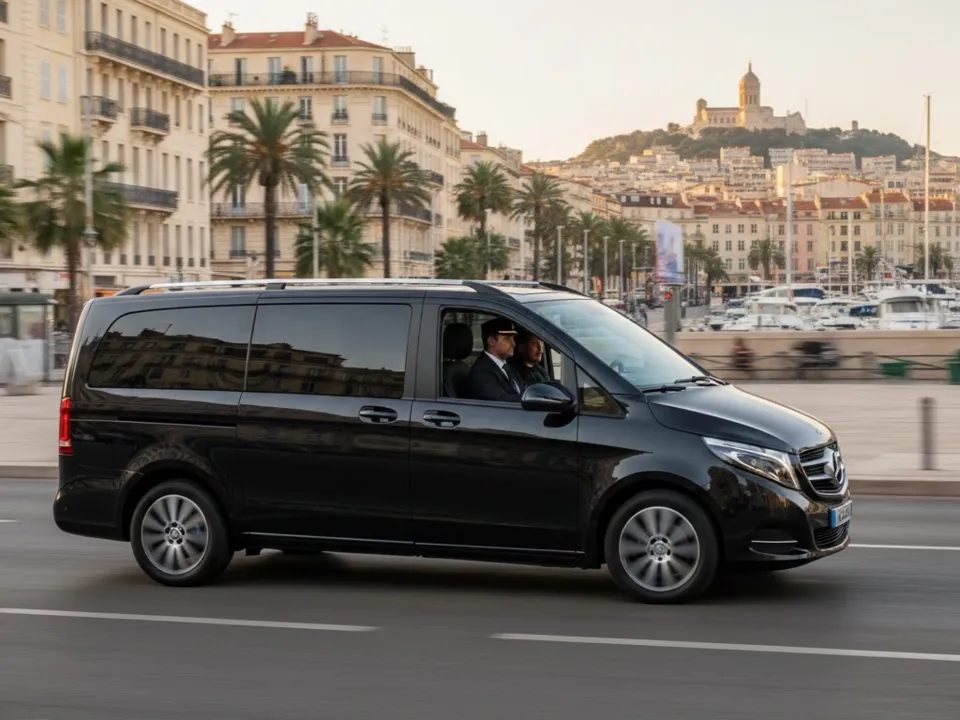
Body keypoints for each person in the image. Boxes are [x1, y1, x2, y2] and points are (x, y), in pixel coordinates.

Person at [465, 317, 524, 402]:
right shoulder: (481, 373)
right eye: (507, 339)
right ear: (491, 341)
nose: (513, 344)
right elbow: (503, 401)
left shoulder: (509, 367)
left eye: (513, 338)